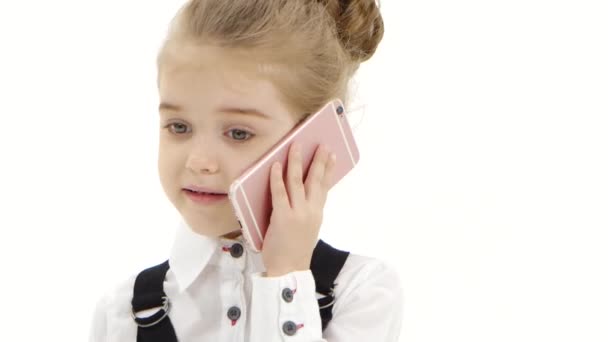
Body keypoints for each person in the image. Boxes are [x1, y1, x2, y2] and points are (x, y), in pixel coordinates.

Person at [89, 0, 403, 341]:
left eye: (238, 133)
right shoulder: (122, 314)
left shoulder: (361, 294)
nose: (198, 161)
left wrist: (286, 275)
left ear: (313, 138)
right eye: (179, 127)